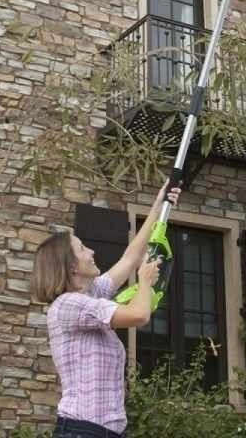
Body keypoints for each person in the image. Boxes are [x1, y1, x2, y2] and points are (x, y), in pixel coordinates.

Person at [31, 181, 181, 438]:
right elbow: (139, 315)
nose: (91, 251)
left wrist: (158, 205)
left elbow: (130, 258)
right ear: (71, 266)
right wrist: (145, 281)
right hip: (83, 431)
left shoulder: (91, 295)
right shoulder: (68, 305)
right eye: (82, 248)